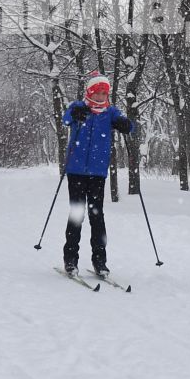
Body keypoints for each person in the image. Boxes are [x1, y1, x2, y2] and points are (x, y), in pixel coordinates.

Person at [60, 73, 135, 279]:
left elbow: (128, 125)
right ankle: (70, 259)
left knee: (97, 216)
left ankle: (99, 261)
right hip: (75, 171)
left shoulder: (110, 112)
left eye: (104, 93)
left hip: (97, 172)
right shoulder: (80, 107)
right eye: (98, 92)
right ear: (91, 92)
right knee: (77, 214)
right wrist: (75, 112)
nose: (101, 96)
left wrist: (125, 124)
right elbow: (66, 119)